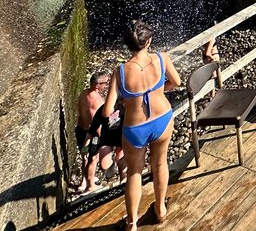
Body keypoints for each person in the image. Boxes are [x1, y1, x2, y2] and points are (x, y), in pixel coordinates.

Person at [103, 20, 181, 229]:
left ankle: (131, 223)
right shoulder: (162, 58)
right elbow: (177, 82)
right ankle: (160, 210)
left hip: (135, 128)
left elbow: (107, 110)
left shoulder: (119, 72)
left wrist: (126, 100)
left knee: (134, 173)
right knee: (160, 163)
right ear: (149, 42)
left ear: (128, 45)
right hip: (163, 118)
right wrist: (157, 91)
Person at [76, 72, 110, 193]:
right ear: (97, 85)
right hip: (89, 135)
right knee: (93, 158)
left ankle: (83, 182)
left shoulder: (84, 93)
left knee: (84, 157)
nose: (106, 85)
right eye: (105, 83)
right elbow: (95, 124)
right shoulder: (95, 101)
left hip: (80, 130)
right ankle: (90, 186)